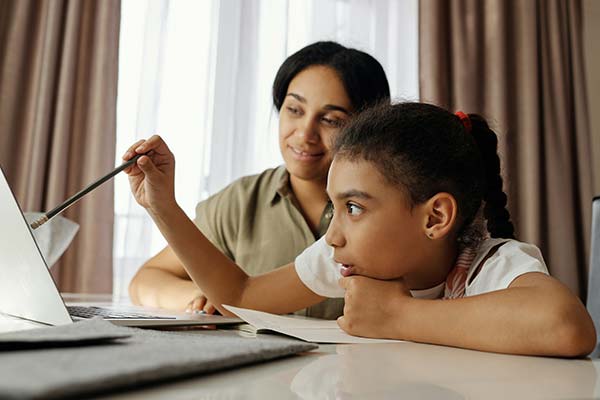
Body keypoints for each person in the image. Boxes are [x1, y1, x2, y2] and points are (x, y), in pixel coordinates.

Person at [123, 102, 596, 356]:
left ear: (435, 218)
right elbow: (242, 293)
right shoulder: (344, 259)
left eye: (354, 208)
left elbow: (565, 326)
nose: (332, 235)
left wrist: (397, 317)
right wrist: (162, 205)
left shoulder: (492, 263)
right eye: (335, 207)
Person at [127, 41, 390, 319]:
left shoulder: (387, 211)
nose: (304, 134)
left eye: (330, 120)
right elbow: (147, 280)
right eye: (295, 110)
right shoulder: (240, 202)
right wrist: (200, 296)